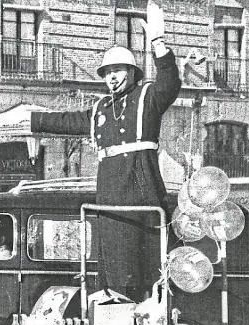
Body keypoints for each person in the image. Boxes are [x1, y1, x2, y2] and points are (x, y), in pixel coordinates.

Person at [26, 0, 181, 302]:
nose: (112, 76)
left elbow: (170, 82)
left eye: (118, 70)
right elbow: (68, 121)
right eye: (107, 71)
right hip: (110, 196)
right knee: (114, 262)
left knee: (148, 264)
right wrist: (29, 119)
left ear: (133, 71)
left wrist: (159, 43)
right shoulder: (100, 108)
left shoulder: (148, 96)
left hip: (143, 193)